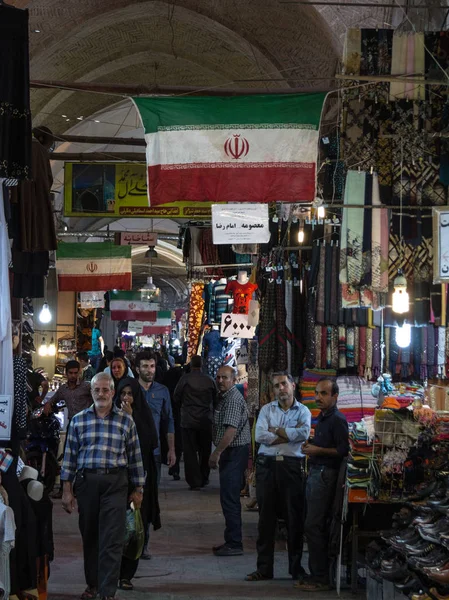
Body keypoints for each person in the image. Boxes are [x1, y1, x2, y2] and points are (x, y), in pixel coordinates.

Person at [60, 372, 145, 600]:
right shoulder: (78, 420)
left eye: (106, 390)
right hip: (87, 484)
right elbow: (69, 458)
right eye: (97, 390)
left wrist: (138, 489)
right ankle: (93, 585)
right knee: (90, 536)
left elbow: (135, 457)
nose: (101, 394)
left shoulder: (125, 421)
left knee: (112, 538)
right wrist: (67, 490)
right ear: (92, 392)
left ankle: (107, 592)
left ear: (113, 392)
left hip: (116, 483)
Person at [245, 372, 311, 582]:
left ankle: (295, 568)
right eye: (276, 386)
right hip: (267, 468)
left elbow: (304, 434)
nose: (280, 388)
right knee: (266, 520)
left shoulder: (304, 411)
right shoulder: (266, 410)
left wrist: (277, 431)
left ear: (292, 385)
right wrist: (288, 434)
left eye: (284, 384)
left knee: (294, 519)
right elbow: (259, 436)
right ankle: (264, 569)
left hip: (291, 468)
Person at [296, 378, 349, 592]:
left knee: (314, 525)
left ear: (335, 396)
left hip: (326, 475)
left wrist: (318, 451)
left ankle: (321, 577)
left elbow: (342, 451)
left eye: (324, 393)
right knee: (314, 525)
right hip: (317, 473)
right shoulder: (323, 417)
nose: (318, 397)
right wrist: (311, 446)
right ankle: (317, 574)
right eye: (317, 393)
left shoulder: (337, 419)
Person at [114, 378, 161, 591]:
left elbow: (149, 441)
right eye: (122, 394)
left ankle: (126, 575)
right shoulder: (110, 416)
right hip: (114, 482)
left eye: (130, 394)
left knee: (132, 529)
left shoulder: (142, 414)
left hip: (137, 480)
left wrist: (132, 419)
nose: (126, 398)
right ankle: (110, 572)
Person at [136, 351, 176, 559]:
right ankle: (130, 541)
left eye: (151, 366)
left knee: (150, 498)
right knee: (132, 498)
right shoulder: (129, 390)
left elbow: (169, 421)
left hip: (155, 454)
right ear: (137, 369)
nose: (148, 370)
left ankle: (144, 544)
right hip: (131, 454)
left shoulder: (162, 391)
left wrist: (172, 449)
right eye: (145, 366)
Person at [210, 366, 250, 557]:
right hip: (231, 452)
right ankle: (230, 540)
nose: (220, 381)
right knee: (228, 498)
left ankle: (234, 543)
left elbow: (230, 431)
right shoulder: (226, 397)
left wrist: (216, 453)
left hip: (234, 452)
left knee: (230, 498)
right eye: (218, 377)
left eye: (224, 377)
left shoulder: (233, 399)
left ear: (234, 380)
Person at [174, 356, 217, 490]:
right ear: (202, 364)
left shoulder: (185, 379)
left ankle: (194, 481)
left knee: (190, 452)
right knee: (205, 451)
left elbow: (176, 397)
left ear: (191, 365)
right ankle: (204, 477)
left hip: (188, 420)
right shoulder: (209, 380)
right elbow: (216, 399)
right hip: (205, 420)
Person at [162, 363, 185, 481]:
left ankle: (171, 464)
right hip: (179, 418)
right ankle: (174, 467)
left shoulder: (165, 389)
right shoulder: (181, 388)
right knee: (178, 444)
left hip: (168, 419)